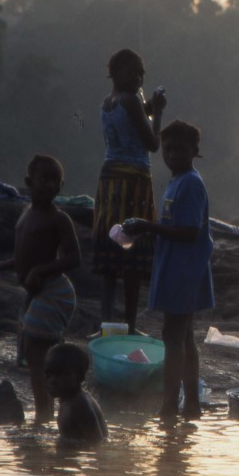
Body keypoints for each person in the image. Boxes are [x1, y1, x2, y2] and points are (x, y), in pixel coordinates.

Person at [123, 120, 214, 420]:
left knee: (173, 335)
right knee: (183, 335)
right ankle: (190, 406)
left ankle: (169, 406)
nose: (173, 154)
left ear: (195, 151)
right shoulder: (177, 182)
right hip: (177, 267)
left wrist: (149, 227)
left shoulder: (190, 183)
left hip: (184, 270)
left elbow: (189, 231)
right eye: (168, 149)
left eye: (180, 149)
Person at [0, 154, 82, 423]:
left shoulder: (59, 219)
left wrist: (40, 271)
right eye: (44, 179)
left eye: (56, 181)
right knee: (37, 359)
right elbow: (24, 257)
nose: (50, 185)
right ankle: (46, 414)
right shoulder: (25, 215)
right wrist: (0, 266)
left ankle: (44, 417)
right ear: (28, 182)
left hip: (55, 291)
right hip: (37, 292)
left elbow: (74, 258)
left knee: (38, 354)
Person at [92, 48, 166, 335]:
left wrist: (149, 108)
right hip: (134, 182)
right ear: (116, 71)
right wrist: (157, 112)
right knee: (132, 257)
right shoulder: (132, 100)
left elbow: (132, 120)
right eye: (132, 72)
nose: (138, 78)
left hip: (109, 180)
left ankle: (106, 323)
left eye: (141, 74)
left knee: (110, 254)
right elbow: (152, 143)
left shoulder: (107, 102)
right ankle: (132, 326)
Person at [44, 343, 108, 443]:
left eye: (60, 374)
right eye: (48, 374)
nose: (52, 380)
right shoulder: (66, 399)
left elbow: (97, 445)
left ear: (80, 377)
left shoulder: (80, 405)